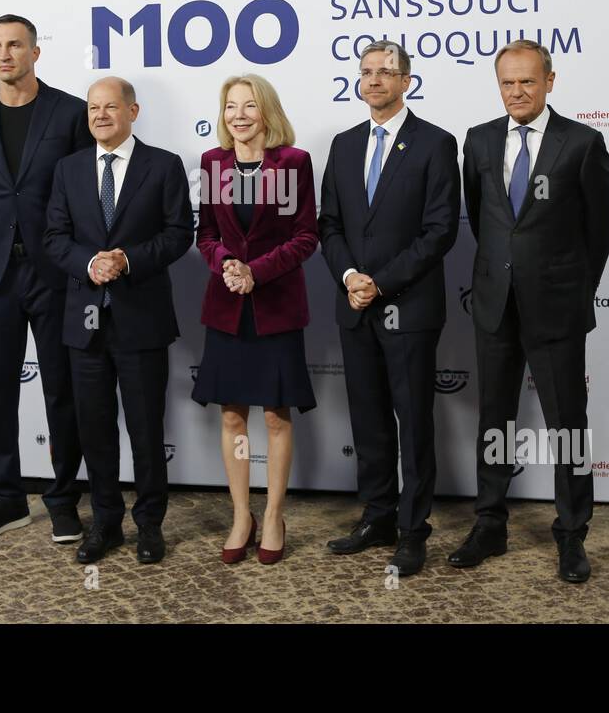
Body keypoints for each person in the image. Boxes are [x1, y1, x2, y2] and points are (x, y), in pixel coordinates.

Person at [453, 39, 609, 583]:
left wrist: (572, 289)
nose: (516, 92)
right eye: (506, 82)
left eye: (527, 81)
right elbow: (483, 219)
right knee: (494, 419)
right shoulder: (478, 141)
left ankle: (572, 535)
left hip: (558, 310)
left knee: (566, 426)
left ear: (550, 80)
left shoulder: (583, 143)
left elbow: (600, 230)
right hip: (495, 306)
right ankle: (490, 525)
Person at [318, 40, 461, 577]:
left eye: (386, 72)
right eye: (367, 72)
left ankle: (412, 528)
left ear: (407, 81)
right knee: (369, 420)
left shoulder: (435, 143)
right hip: (354, 304)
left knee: (414, 422)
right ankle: (376, 516)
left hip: (409, 305)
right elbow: (328, 224)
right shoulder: (344, 143)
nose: (374, 80)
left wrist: (381, 282)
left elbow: (439, 230)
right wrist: (352, 277)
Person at [0, 14, 91, 544]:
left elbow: (82, 195)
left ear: (34, 52)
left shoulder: (71, 113)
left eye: (14, 45)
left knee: (62, 391)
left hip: (55, 274)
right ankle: (6, 500)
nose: (4, 54)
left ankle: (63, 500)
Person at [43, 77, 194, 565]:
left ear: (133, 110)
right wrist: (91, 264)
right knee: (94, 428)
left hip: (141, 319)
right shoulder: (67, 170)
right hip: (83, 322)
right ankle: (105, 522)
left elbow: (178, 235)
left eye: (111, 107)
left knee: (147, 427)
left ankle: (149, 525)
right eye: (93, 108)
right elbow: (54, 237)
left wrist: (127, 259)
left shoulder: (164, 166)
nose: (100, 115)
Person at [192, 75, 318, 565]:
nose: (238, 115)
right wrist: (226, 263)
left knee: (275, 415)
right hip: (226, 306)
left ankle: (273, 515)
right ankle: (242, 513)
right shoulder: (213, 164)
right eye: (230, 107)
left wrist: (256, 272)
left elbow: (305, 236)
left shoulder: (293, 163)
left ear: (267, 111)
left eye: (248, 106)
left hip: (276, 305)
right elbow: (204, 233)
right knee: (231, 416)